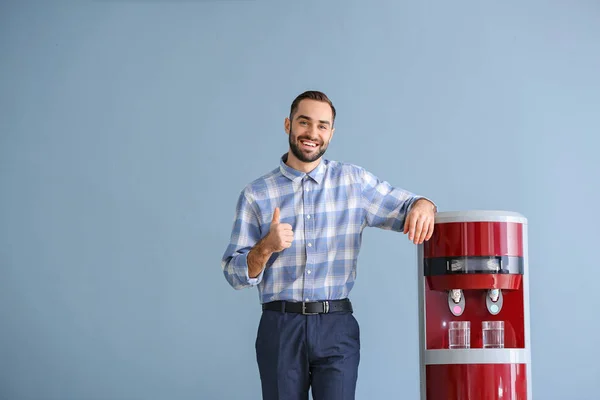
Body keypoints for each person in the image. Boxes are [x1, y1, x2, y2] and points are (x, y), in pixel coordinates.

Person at [221, 90, 437, 400]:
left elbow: (410, 206)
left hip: (336, 325)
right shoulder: (257, 194)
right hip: (280, 326)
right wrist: (265, 248)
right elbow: (233, 274)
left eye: (322, 125)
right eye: (304, 122)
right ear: (288, 125)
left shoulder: (353, 183)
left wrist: (424, 204)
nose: (312, 133)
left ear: (331, 133)